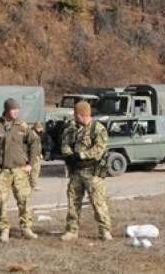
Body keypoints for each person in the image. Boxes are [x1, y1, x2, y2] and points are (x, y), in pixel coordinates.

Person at [0, 97, 41, 243]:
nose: (16, 112)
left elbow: (34, 142)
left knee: (24, 200)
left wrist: (31, 164)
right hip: (2, 171)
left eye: (17, 109)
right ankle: (4, 230)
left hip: (20, 170)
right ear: (7, 110)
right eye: (13, 109)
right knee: (1, 200)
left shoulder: (22, 126)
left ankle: (26, 228)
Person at [59, 101, 112, 242]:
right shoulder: (71, 129)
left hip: (92, 173)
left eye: (77, 114)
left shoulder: (98, 129)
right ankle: (72, 230)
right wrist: (70, 155)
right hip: (76, 172)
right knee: (73, 202)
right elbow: (64, 144)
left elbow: (99, 150)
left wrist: (81, 155)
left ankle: (105, 230)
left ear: (82, 114)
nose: (75, 117)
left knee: (98, 202)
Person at [29, 121, 46, 190]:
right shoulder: (32, 134)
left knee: (35, 170)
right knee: (35, 170)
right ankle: (33, 185)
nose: (41, 129)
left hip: (36, 154)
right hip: (34, 155)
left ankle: (32, 184)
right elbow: (34, 146)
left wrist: (40, 154)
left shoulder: (36, 134)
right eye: (40, 128)